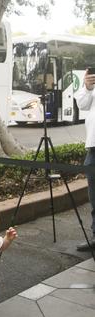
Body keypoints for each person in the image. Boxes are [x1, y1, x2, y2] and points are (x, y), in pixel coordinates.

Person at [75, 71, 95, 251]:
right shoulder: (92, 83)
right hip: (93, 148)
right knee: (94, 197)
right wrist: (87, 87)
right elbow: (82, 104)